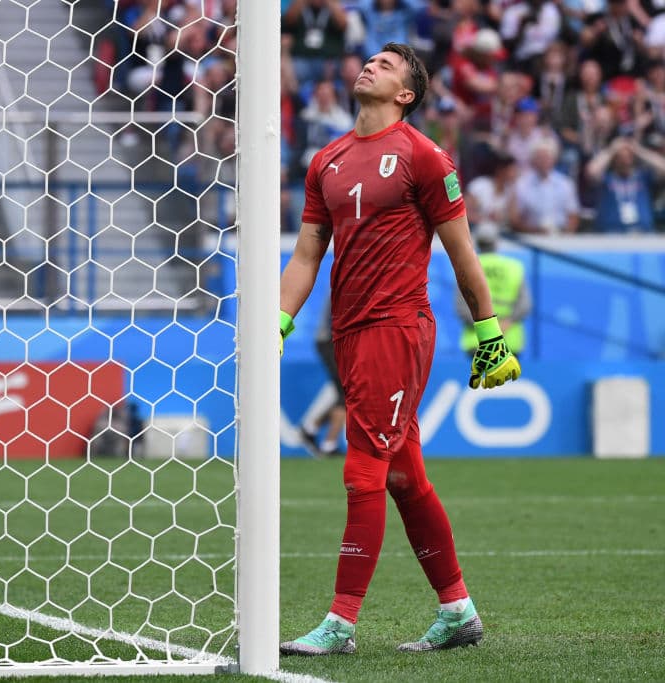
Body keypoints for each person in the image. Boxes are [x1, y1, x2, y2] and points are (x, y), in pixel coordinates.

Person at [277, 42, 521, 656]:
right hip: (349, 332)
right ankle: (458, 610)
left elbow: (463, 252)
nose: (369, 66)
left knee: (363, 472)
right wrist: (277, 322)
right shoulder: (326, 159)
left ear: (405, 95)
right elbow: (307, 254)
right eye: (370, 61)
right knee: (405, 478)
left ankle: (340, 623)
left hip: (398, 327)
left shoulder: (423, 155)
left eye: (386, 66)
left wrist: (489, 331)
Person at [456, 223, 532, 357]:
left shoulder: (466, 267)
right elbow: (525, 305)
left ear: (476, 242)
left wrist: (488, 327)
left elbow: (461, 307)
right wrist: (506, 323)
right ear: (496, 242)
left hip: (477, 341)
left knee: (478, 378)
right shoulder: (514, 267)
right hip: (509, 339)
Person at [585, 134, 665, 233]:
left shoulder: (643, 177)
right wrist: (612, 149)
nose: (625, 160)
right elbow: (591, 171)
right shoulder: (607, 178)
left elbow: (663, 167)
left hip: (643, 234)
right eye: (620, 156)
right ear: (614, 159)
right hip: (610, 235)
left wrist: (638, 150)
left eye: (628, 156)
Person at [298, 301, 346, 458]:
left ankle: (311, 427)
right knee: (347, 393)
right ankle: (329, 444)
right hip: (331, 340)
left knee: (348, 392)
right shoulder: (349, 281)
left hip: (334, 340)